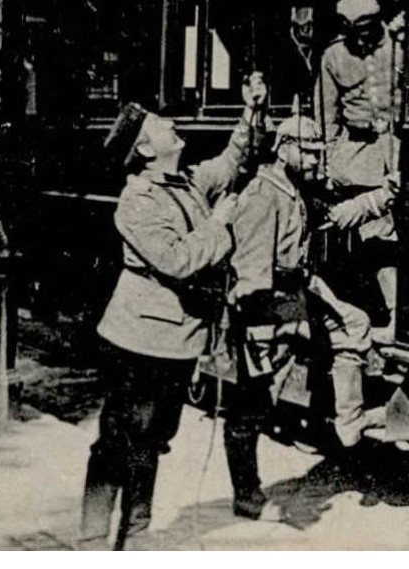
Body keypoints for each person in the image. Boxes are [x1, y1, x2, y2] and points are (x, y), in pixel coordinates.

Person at [79, 76, 266, 549]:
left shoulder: (185, 182)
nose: (173, 124)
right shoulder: (138, 200)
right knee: (124, 437)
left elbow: (231, 162)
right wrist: (221, 227)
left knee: (154, 437)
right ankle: (101, 537)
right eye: (162, 125)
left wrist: (251, 112)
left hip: (176, 339)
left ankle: (131, 532)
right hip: (138, 339)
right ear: (145, 148)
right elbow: (176, 259)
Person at [220, 114, 379, 497]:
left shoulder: (292, 188)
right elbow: (252, 269)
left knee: (353, 324)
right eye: (307, 152)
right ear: (283, 148)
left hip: (301, 288)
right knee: (257, 399)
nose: (313, 160)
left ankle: (349, 422)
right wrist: (261, 329)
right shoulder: (262, 195)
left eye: (316, 153)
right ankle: (246, 488)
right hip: (272, 301)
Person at [315, 0, 403, 344]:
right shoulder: (334, 56)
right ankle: (393, 314)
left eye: (367, 30)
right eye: (352, 32)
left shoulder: (398, 46)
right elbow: (327, 114)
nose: (361, 39)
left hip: (399, 148)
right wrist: (330, 163)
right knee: (376, 234)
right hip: (359, 156)